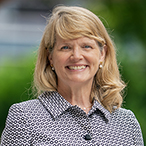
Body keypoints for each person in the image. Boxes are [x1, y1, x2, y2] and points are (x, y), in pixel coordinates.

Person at [0, 5, 144, 146]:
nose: (76, 56)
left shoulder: (127, 123)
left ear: (102, 54)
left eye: (86, 46)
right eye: (65, 47)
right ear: (50, 57)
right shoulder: (24, 117)